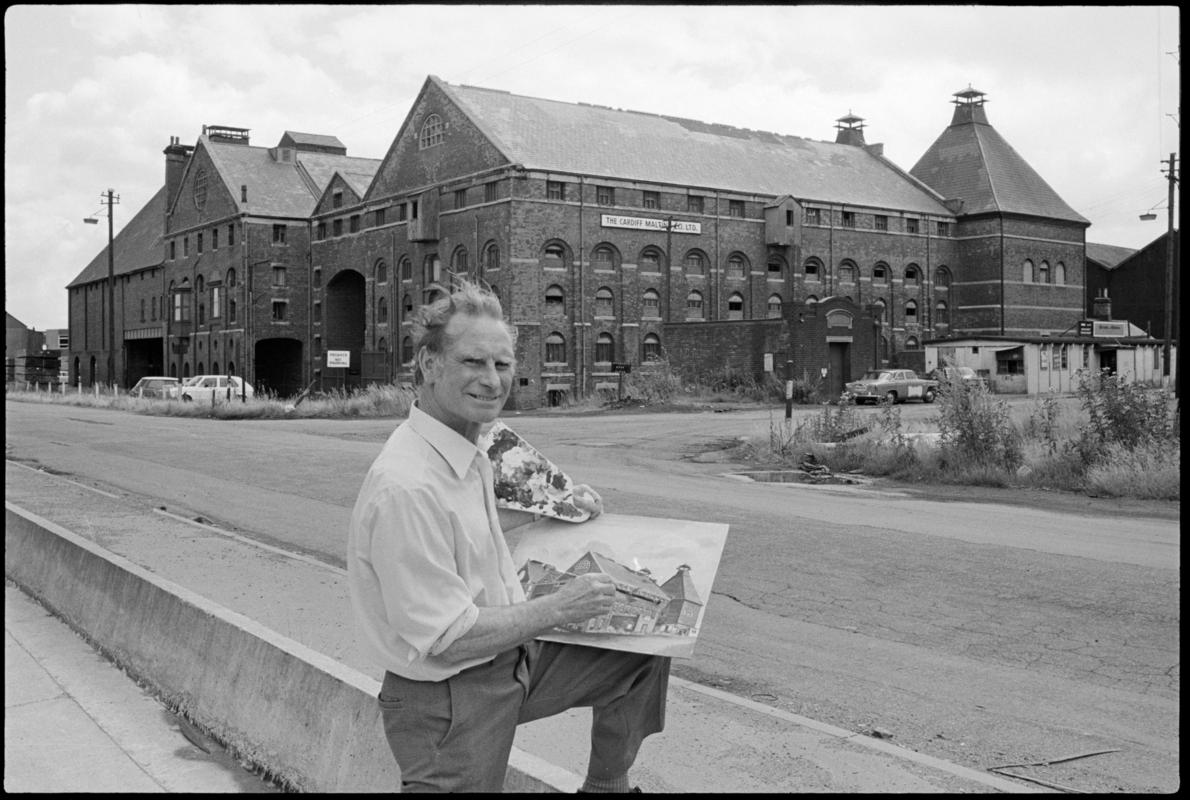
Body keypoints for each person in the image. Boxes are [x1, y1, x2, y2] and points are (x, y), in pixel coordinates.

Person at [347, 280, 669, 793]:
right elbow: (450, 639)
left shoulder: (461, 448)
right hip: (450, 700)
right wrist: (560, 607)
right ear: (429, 364)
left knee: (639, 652)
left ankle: (606, 786)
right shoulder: (405, 487)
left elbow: (469, 529)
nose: (491, 379)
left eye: (502, 364)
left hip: (509, 662)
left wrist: (557, 511)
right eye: (473, 362)